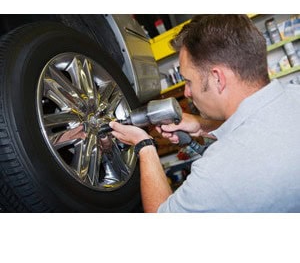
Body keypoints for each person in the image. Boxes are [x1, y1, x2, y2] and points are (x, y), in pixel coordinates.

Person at [109, 14, 300, 213]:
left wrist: (145, 146)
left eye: (189, 81)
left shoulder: (217, 172)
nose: (186, 93)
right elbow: (259, 130)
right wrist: (202, 126)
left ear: (218, 78)